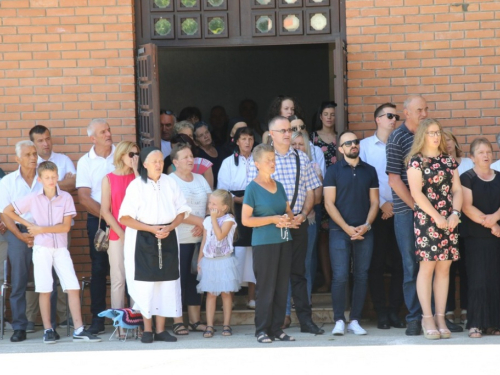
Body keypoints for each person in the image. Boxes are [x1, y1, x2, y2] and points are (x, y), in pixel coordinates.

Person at [3, 161, 101, 344]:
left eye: (54, 177)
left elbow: (65, 227)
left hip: (61, 248)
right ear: (40, 179)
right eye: (47, 178)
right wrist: (28, 225)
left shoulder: (65, 197)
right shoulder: (32, 198)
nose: (51, 181)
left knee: (72, 286)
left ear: (57, 177)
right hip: (41, 249)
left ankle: (79, 329)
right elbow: (7, 211)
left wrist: (40, 229)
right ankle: (48, 330)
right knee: (45, 288)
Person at [248, 116, 324, 335]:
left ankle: (306, 321)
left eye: (289, 130)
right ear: (271, 134)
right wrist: (275, 218)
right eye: (282, 130)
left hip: (298, 224)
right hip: (271, 228)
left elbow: (311, 191)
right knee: (271, 278)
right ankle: (271, 325)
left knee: (298, 274)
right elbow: (253, 196)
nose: (287, 133)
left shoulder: (302, 158)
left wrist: (303, 214)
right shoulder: (262, 161)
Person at [119, 147, 191, 344]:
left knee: (166, 284)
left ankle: (161, 330)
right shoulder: (136, 186)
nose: (159, 165)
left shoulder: (170, 183)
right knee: (146, 284)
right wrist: (151, 229)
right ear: (144, 164)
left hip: (168, 236)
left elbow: (182, 210)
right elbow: (125, 217)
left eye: (160, 161)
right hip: (143, 238)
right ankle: (147, 329)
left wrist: (170, 226)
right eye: (154, 161)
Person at [407, 118, 463, 340]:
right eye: (431, 132)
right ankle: (427, 317)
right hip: (428, 220)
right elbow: (416, 193)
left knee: (444, 269)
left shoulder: (448, 161)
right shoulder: (415, 161)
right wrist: (437, 216)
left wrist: (455, 214)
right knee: (427, 268)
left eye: (437, 132)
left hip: (449, 220)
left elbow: (457, 189)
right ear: (423, 135)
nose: (436, 136)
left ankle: (440, 317)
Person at [324, 131, 379, 336]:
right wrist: (347, 227)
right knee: (339, 277)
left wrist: (366, 225)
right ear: (340, 149)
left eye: (355, 142)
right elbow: (328, 203)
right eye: (348, 143)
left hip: (365, 231)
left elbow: (374, 202)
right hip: (339, 231)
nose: (353, 145)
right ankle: (339, 319)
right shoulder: (333, 170)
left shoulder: (370, 171)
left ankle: (355, 320)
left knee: (361, 276)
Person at [242, 144, 295, 343]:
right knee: (265, 287)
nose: (272, 163)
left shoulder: (279, 186)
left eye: (273, 159)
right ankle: (261, 330)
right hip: (264, 244)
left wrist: (292, 219)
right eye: (268, 160)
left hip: (284, 240)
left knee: (282, 287)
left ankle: (277, 329)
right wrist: (273, 219)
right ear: (257, 164)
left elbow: (287, 210)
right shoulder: (252, 188)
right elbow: (246, 220)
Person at [360, 103, 405, 330]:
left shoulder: (403, 143)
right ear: (377, 119)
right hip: (375, 212)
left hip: (401, 210)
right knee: (375, 264)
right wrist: (382, 205)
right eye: (389, 116)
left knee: (401, 263)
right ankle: (381, 313)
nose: (393, 119)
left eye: (395, 116)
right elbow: (364, 179)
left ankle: (395, 311)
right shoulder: (365, 146)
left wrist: (396, 204)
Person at [386, 95, 427, 336]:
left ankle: (434, 316)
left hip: (431, 213)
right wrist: (417, 206)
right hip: (406, 213)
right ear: (407, 113)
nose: (424, 113)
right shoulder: (397, 138)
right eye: (419, 110)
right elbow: (394, 179)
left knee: (433, 265)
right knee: (411, 265)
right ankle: (414, 318)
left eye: (426, 109)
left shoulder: (429, 136)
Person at [29, 124, 77, 331]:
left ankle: (66, 318)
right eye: (40, 140)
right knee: (38, 279)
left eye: (47, 139)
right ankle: (35, 321)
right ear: (33, 143)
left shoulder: (63, 160)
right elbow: (32, 193)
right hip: (36, 232)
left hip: (62, 231)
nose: (45, 143)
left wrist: (54, 186)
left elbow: (74, 183)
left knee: (64, 276)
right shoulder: (31, 163)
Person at [76, 118, 115, 334]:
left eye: (108, 130)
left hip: (124, 220)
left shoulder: (121, 155)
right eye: (103, 132)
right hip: (98, 220)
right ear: (93, 138)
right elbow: (83, 197)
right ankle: (98, 320)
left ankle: (129, 315)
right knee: (99, 269)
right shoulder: (85, 162)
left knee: (125, 267)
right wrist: (107, 217)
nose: (108, 134)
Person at [0, 141, 40, 342]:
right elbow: (5, 214)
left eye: (34, 154)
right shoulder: (7, 182)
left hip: (43, 232)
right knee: (18, 281)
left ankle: (50, 327)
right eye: (27, 154)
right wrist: (20, 235)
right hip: (17, 232)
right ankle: (19, 327)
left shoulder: (45, 178)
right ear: (17, 159)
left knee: (47, 278)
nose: (33, 157)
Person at [170, 143, 211, 335]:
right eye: (185, 157)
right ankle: (178, 320)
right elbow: (173, 211)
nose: (190, 160)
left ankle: (195, 320)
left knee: (195, 279)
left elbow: (211, 203)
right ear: (175, 162)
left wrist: (205, 224)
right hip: (178, 239)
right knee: (178, 280)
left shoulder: (201, 179)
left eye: (191, 156)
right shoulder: (169, 181)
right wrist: (201, 222)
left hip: (200, 239)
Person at [460, 138, 500, 338]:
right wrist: (492, 224)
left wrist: (497, 217)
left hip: (497, 237)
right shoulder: (467, 178)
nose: (486, 155)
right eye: (481, 152)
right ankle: (475, 323)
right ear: (472, 157)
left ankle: (493, 323)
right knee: (478, 280)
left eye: (489, 152)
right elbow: (466, 207)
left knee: (495, 279)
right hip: (476, 236)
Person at [99, 141, 139, 338]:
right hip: (117, 234)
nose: (135, 157)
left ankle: (137, 323)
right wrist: (122, 233)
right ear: (121, 154)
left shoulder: (138, 178)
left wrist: (138, 171)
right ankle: (120, 326)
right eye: (131, 154)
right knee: (118, 280)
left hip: (139, 233)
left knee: (137, 279)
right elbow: (105, 211)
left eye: (137, 154)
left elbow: (145, 197)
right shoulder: (108, 179)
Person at [284, 131, 323, 327]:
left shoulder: (311, 165)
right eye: (295, 144)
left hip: (307, 221)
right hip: (284, 222)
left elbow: (316, 198)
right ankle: (284, 313)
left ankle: (303, 311)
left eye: (301, 144)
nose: (298, 147)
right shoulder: (281, 163)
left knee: (303, 268)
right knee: (283, 269)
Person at [218, 127, 257, 309]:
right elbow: (223, 190)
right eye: (243, 138)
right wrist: (239, 199)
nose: (247, 142)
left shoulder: (259, 161)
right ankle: (230, 298)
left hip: (257, 208)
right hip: (236, 208)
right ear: (237, 141)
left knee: (254, 252)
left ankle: (252, 297)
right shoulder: (228, 162)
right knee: (236, 254)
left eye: (250, 138)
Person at [197, 190, 240, 338]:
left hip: (224, 262)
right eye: (210, 203)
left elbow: (220, 236)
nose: (210, 206)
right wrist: (199, 260)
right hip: (209, 261)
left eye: (214, 204)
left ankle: (226, 325)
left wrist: (214, 219)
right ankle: (209, 325)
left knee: (226, 294)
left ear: (224, 207)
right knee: (211, 294)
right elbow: (204, 241)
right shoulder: (207, 220)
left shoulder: (229, 219)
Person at [443, 130, 473, 326]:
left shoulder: (468, 163)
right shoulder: (439, 164)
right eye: (442, 140)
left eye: (449, 139)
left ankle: (465, 309)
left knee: (465, 267)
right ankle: (447, 310)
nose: (447, 143)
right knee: (447, 267)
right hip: (447, 221)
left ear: (455, 142)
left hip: (468, 220)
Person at [310, 101, 338, 293]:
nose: (329, 117)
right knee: (322, 239)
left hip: (339, 192)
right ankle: (328, 281)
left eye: (332, 114)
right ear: (320, 116)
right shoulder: (312, 139)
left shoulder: (341, 138)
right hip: (321, 191)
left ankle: (338, 283)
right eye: (326, 114)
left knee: (337, 237)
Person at [165, 123, 215, 189]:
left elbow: (209, 192)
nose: (188, 139)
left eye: (190, 136)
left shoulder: (204, 164)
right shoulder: (170, 166)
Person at [194, 121, 225, 187]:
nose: (206, 136)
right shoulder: (199, 157)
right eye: (201, 135)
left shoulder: (220, 150)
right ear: (196, 141)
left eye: (207, 132)